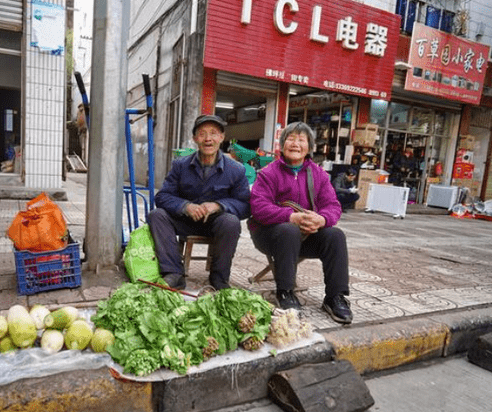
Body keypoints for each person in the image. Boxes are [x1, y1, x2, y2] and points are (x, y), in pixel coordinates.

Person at [248, 121, 353, 324]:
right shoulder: (269, 173)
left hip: (306, 235)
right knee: (289, 230)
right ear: (282, 144)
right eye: (291, 139)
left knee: (335, 235)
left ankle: (335, 296)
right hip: (270, 234)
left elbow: (332, 206)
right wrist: (291, 217)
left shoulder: (319, 174)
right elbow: (258, 207)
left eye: (301, 140)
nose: (295, 144)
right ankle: (285, 292)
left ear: (309, 147)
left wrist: (321, 219)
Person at [147, 114, 250, 290]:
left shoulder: (236, 169)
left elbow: (245, 205)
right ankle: (174, 273)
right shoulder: (181, 165)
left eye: (213, 133)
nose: (208, 139)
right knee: (157, 215)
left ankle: (219, 278)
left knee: (231, 222)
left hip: (215, 223)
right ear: (195, 139)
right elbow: (162, 197)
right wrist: (185, 206)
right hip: (186, 220)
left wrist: (219, 205)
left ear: (222, 137)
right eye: (202, 134)